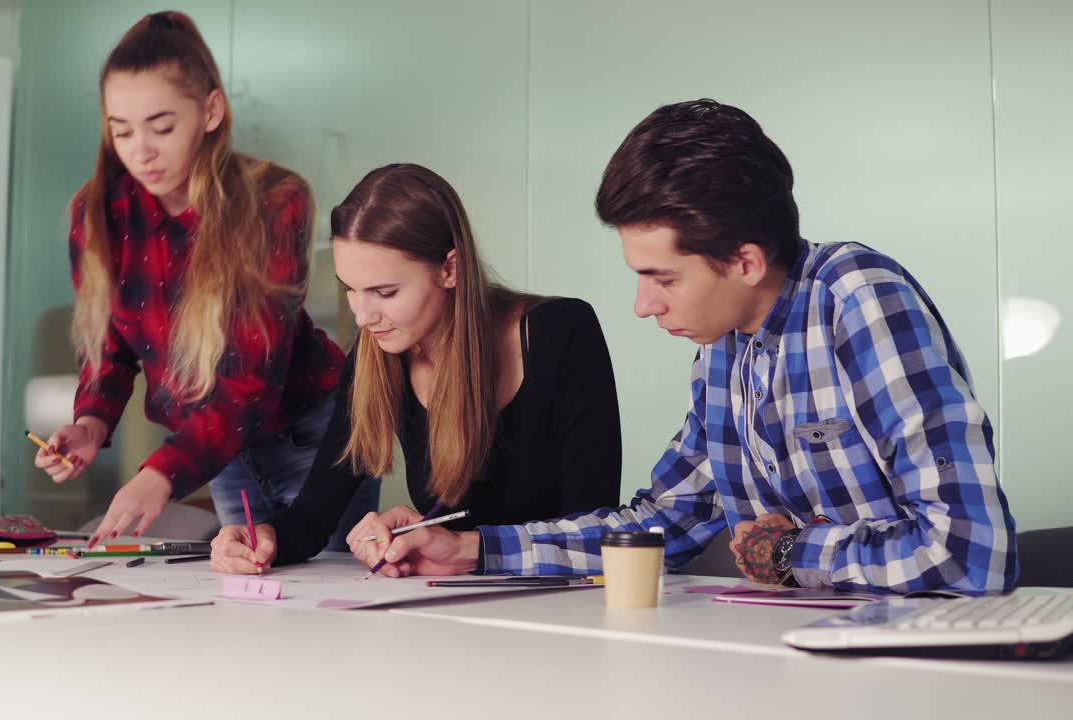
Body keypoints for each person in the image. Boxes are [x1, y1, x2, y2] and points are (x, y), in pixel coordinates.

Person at [362, 100, 1018, 594]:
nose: (643, 305)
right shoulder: (723, 351)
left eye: (664, 279)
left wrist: (791, 553)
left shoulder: (858, 299)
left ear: (745, 261)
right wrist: (470, 549)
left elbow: (971, 553)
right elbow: (665, 523)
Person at [34, 11, 377, 548]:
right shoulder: (97, 214)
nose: (141, 150)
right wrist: (90, 425)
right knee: (243, 582)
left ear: (211, 111)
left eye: (162, 127)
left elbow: (251, 381)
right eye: (122, 131)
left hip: (314, 435)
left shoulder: (274, 201)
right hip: (217, 448)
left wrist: (161, 474)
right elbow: (108, 347)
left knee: (331, 584)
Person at [210, 163, 623, 576]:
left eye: (385, 292)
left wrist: (462, 548)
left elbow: (593, 531)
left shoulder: (561, 332)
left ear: (449, 269)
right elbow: (312, 519)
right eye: (350, 289)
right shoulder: (377, 354)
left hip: (560, 603)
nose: (363, 316)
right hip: (449, 604)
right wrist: (262, 538)